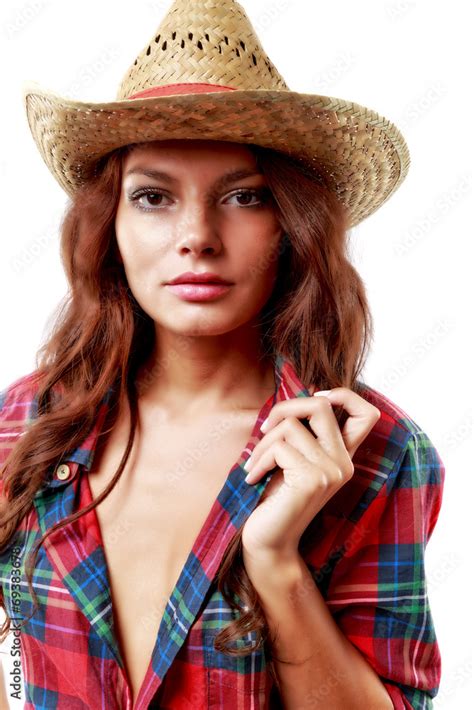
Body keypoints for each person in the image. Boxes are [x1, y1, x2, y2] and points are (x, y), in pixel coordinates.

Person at [0, 1, 445, 708]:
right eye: (153, 196)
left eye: (243, 196)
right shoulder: (26, 418)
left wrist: (275, 564)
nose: (197, 236)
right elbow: (11, 657)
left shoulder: (377, 453)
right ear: (106, 225)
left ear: (292, 226)